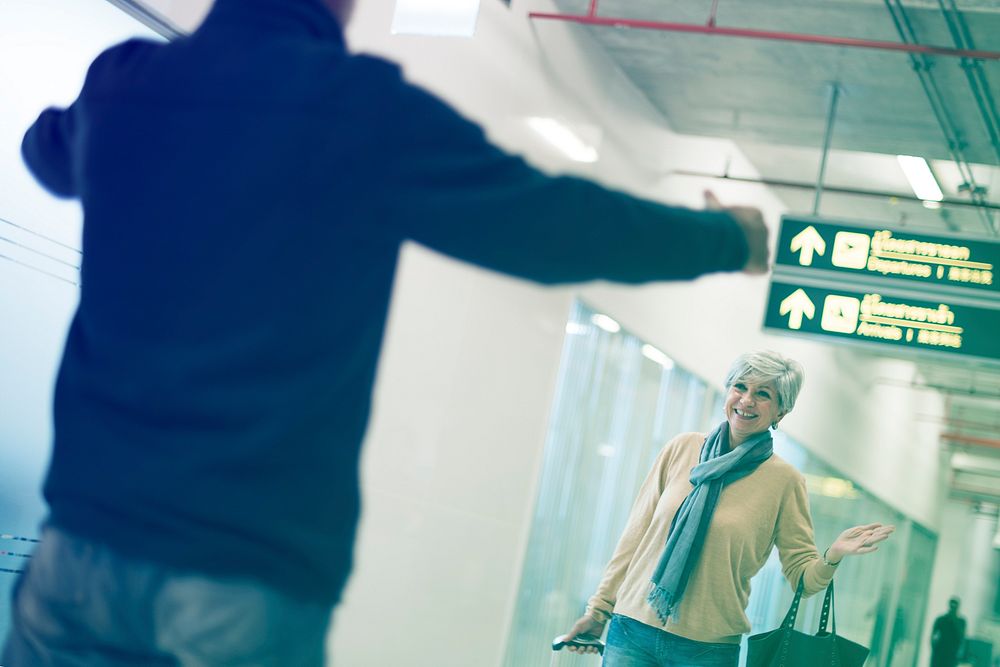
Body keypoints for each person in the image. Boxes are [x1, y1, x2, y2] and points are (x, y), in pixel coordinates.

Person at [4, 0, 771, 664]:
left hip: (82, 550)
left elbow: (45, 150)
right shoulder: (359, 111)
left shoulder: (127, 82)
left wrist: (119, 125)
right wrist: (724, 238)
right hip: (245, 571)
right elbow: (552, 224)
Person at [560, 350, 895, 666]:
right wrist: (599, 610)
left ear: (781, 411)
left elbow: (802, 579)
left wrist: (832, 555)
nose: (747, 400)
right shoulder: (682, 449)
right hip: (632, 630)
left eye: (764, 394)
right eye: (740, 386)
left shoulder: (784, 481)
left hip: (707, 649)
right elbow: (635, 536)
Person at [930, 597, 967, 667]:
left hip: (952, 654)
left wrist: (954, 620)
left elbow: (962, 635)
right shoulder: (941, 619)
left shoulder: (961, 621)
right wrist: (934, 647)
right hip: (940, 652)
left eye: (955, 606)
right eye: (951, 605)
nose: (953, 608)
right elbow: (933, 634)